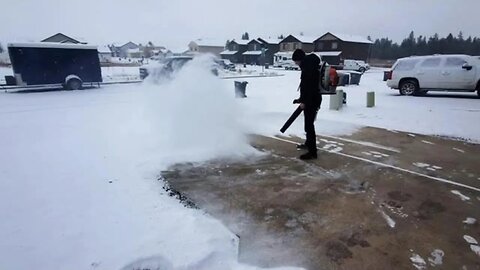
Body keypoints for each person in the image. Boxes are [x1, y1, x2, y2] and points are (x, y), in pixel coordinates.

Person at [292, 49, 321, 160]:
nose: (295, 63)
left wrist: (305, 102)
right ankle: (309, 144)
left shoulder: (309, 68)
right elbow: (305, 87)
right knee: (308, 124)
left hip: (312, 101)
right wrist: (300, 99)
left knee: (309, 126)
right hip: (312, 100)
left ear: (300, 59)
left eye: (296, 61)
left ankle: (312, 152)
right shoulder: (308, 66)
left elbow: (310, 88)